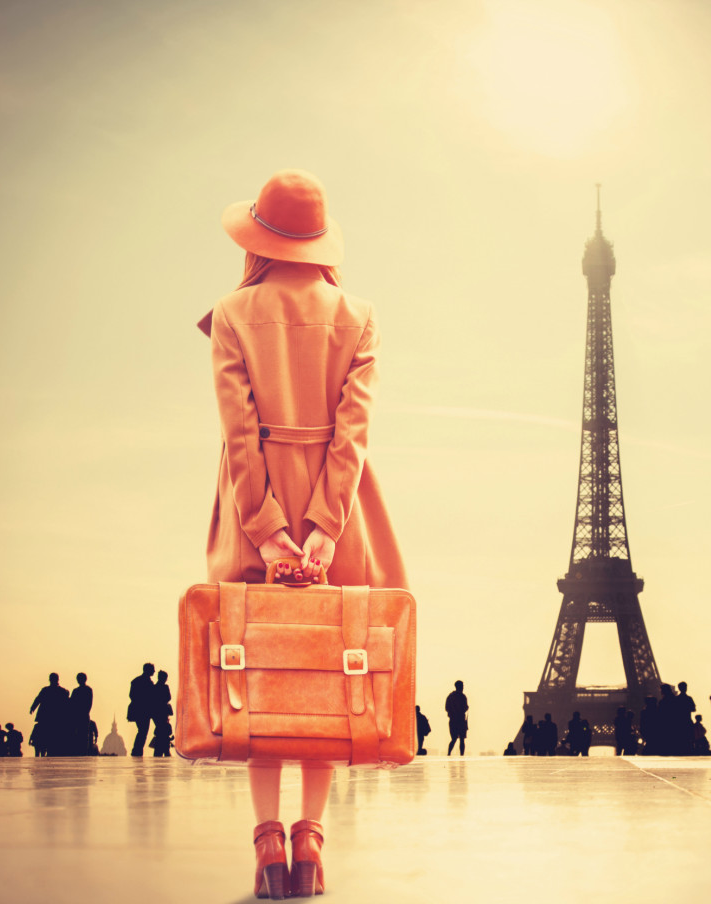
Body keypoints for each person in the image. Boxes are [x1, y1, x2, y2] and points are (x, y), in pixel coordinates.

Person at [201, 170, 407, 900]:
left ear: (259, 237)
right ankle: (312, 843)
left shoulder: (231, 312)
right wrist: (322, 528)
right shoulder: (358, 313)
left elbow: (238, 428)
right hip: (339, 509)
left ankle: (264, 844)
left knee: (258, 675)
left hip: (255, 502)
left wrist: (268, 533)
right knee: (328, 672)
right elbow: (354, 431)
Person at [29, 673, 69, 756]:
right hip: (56, 718)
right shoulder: (63, 691)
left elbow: (38, 699)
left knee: (45, 736)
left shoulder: (46, 690)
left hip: (45, 717)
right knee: (53, 736)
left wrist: (33, 707)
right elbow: (67, 705)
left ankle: (47, 751)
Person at [127, 663, 156, 757]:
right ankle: (137, 750)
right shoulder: (148, 683)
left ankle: (137, 750)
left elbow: (132, 695)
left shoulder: (136, 681)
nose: (154, 671)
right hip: (144, 711)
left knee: (142, 731)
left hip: (138, 710)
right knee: (143, 731)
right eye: (152, 670)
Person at [70, 672, 93, 755]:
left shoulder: (76, 691)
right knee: (83, 735)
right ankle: (83, 751)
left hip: (78, 716)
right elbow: (89, 703)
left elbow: (71, 703)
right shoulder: (88, 690)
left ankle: (80, 751)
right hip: (83, 715)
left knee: (80, 734)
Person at [445, 681, 469, 756]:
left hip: (453, 720)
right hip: (460, 720)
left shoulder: (450, 696)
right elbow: (465, 707)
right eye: (462, 686)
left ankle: (449, 754)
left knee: (454, 739)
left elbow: (446, 707)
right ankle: (461, 755)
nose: (463, 687)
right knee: (461, 739)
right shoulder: (462, 696)